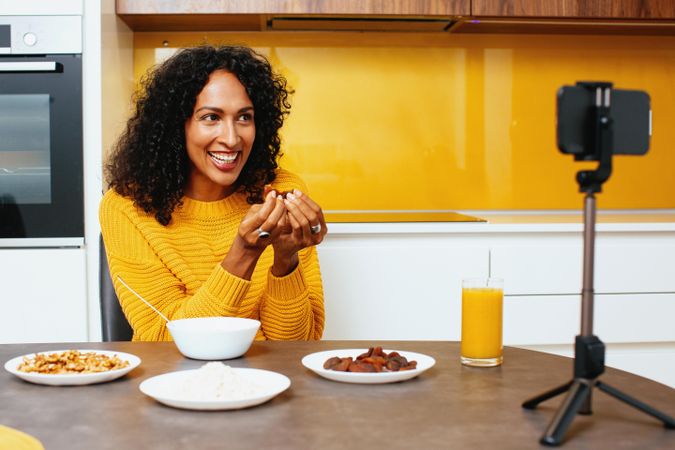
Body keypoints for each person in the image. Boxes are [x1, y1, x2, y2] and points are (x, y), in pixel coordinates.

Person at [100, 45, 327, 341]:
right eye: (211, 117)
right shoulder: (126, 207)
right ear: (176, 124)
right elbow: (162, 341)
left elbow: (298, 346)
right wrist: (243, 253)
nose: (232, 139)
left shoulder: (281, 191)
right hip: (175, 381)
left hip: (270, 379)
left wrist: (286, 260)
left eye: (244, 117)